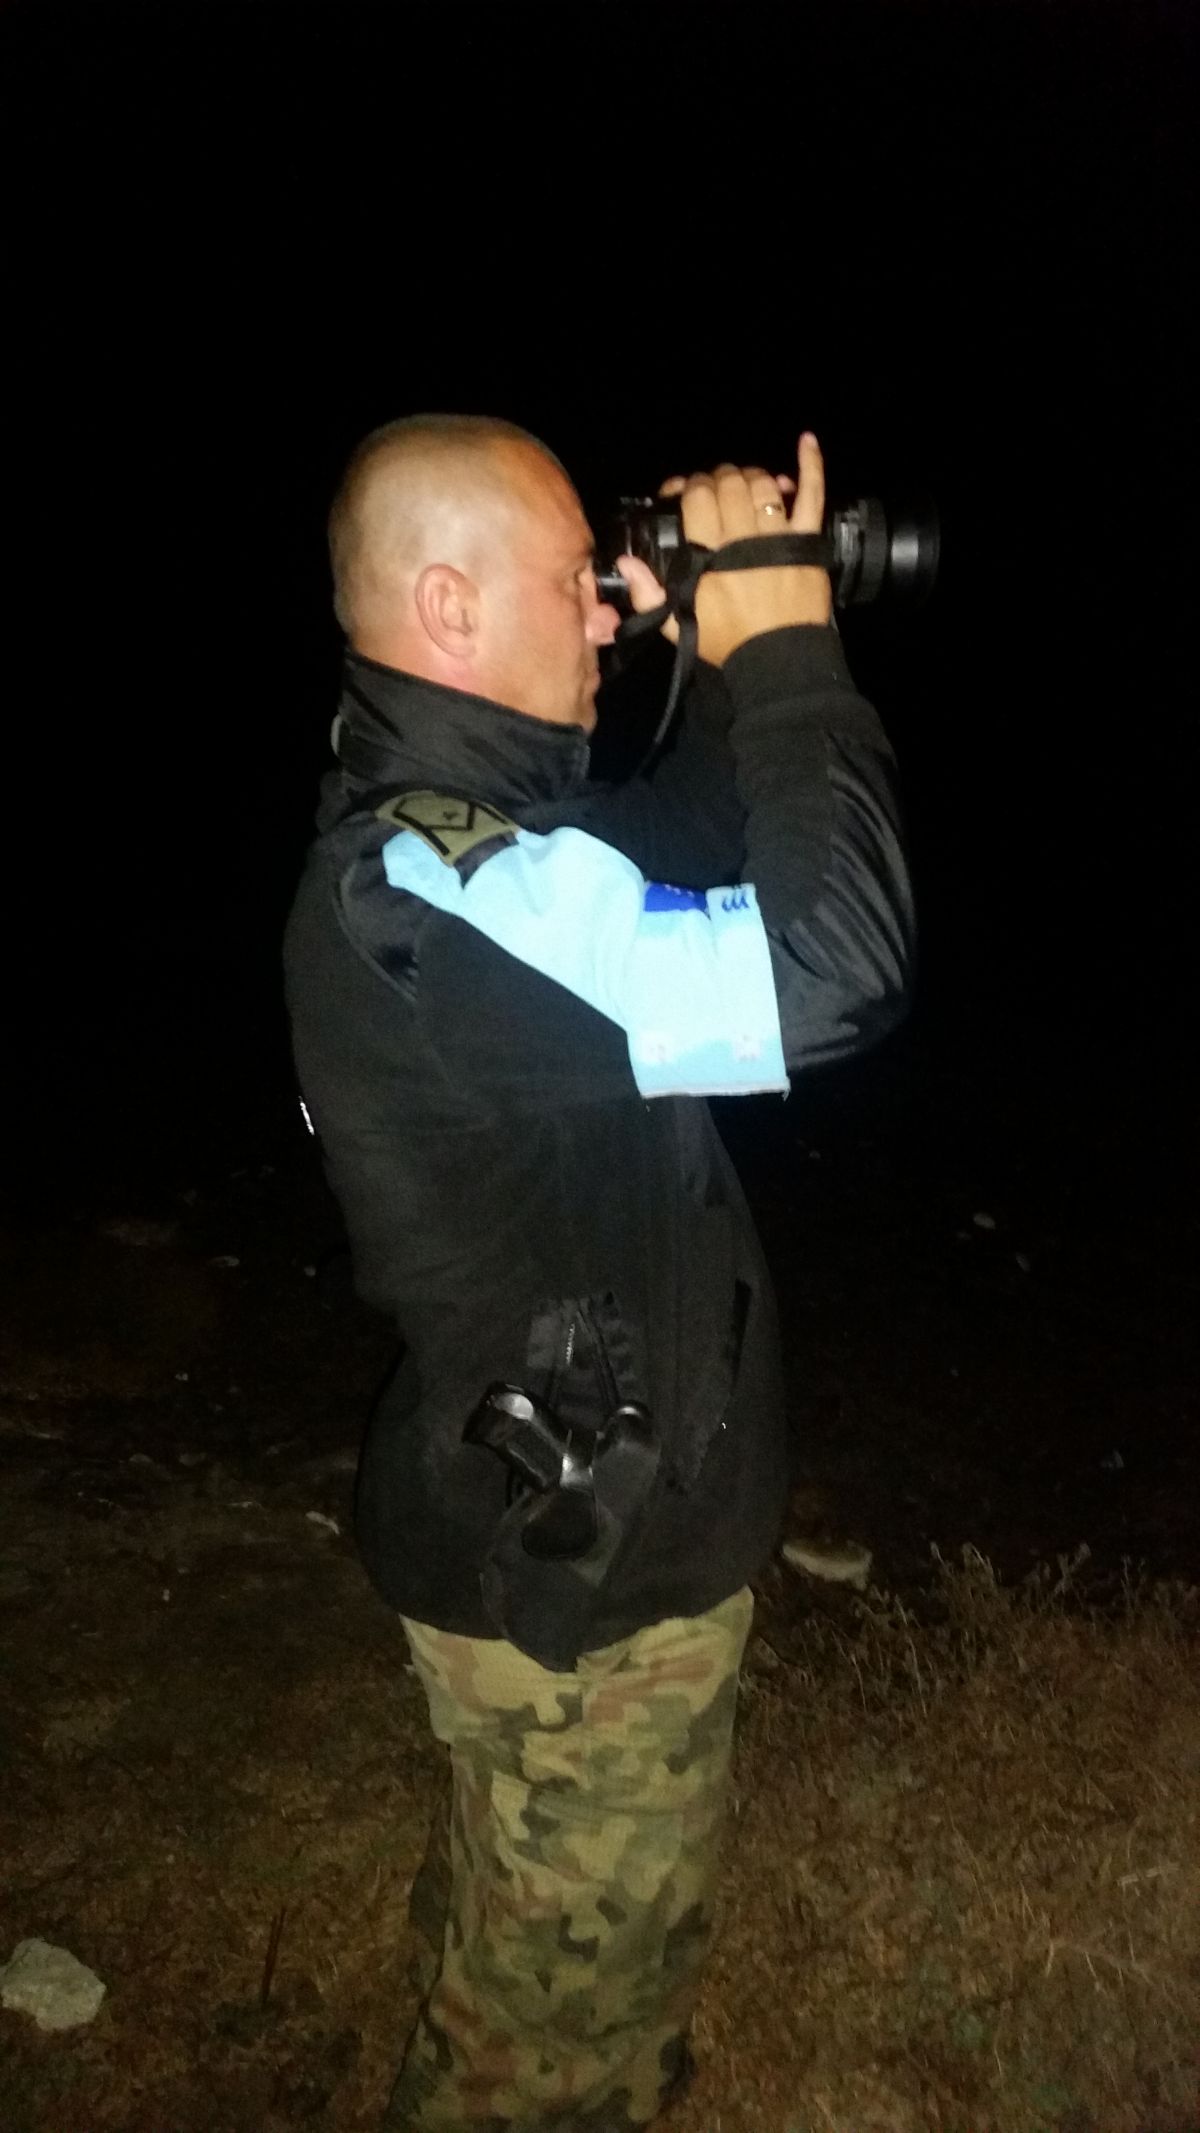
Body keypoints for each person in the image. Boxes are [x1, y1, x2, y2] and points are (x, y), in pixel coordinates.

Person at [283, 412, 915, 2130]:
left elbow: (680, 850)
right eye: (576, 580)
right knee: (548, 2067)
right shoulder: (437, 895)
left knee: (524, 1958)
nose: (604, 611)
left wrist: (713, 651)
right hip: (579, 1586)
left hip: (545, 1528)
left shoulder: (451, 849)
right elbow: (834, 970)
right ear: (450, 602)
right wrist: (787, 652)